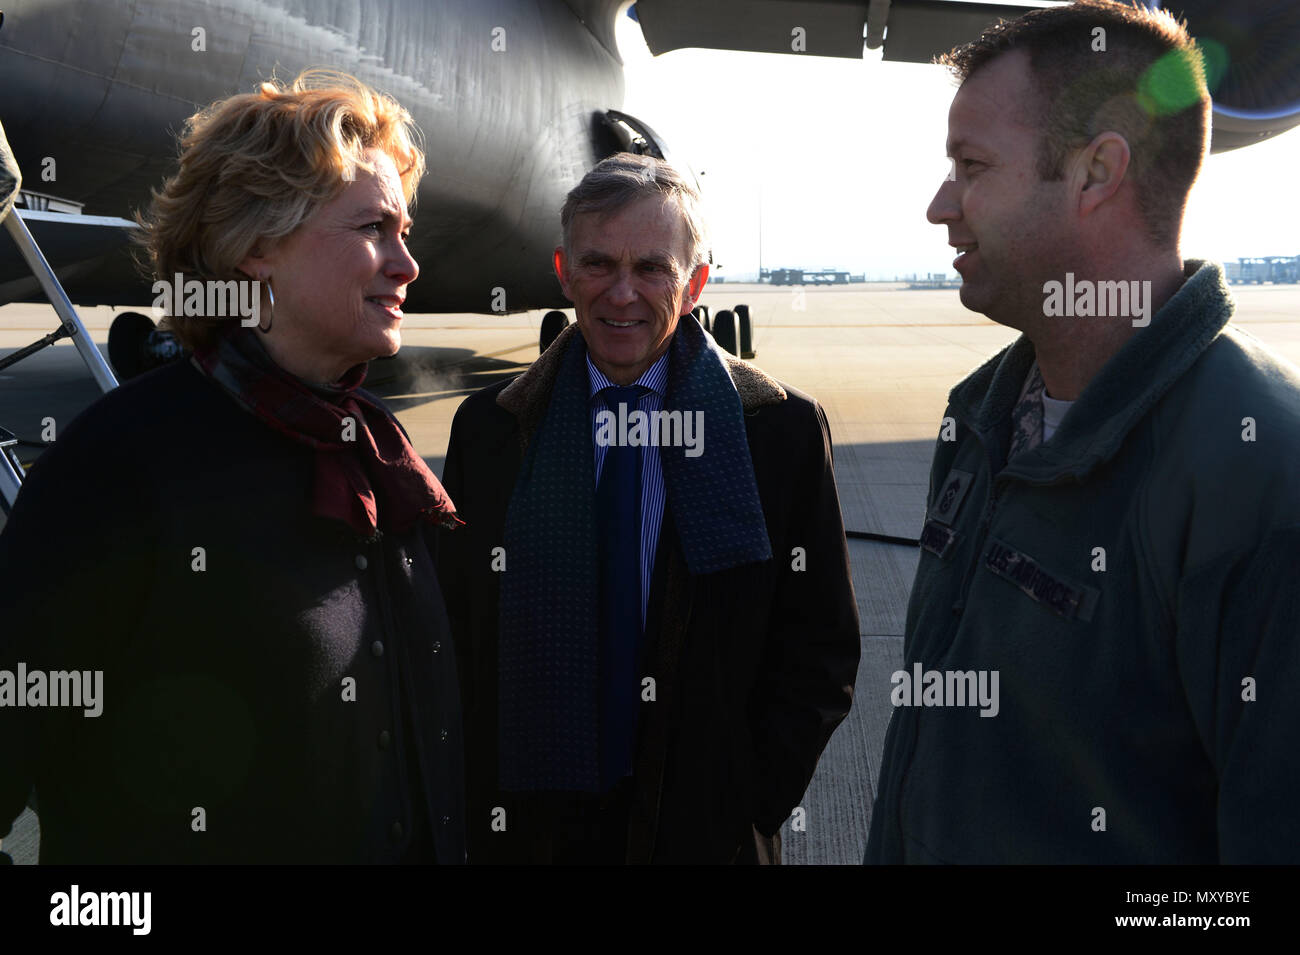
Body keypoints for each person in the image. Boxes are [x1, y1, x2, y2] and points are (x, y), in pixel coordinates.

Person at [866, 0, 1300, 864]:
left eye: (972, 165)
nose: (938, 205)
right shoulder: (981, 416)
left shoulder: (1261, 474)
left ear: (1097, 172)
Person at [0, 71, 465, 863]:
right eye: (374, 229)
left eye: (405, 231)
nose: (407, 264)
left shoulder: (376, 450)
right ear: (257, 249)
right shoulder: (119, 466)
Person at [438, 152, 860, 864]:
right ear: (564, 271)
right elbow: (458, 636)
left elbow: (820, 649)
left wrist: (746, 799)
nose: (622, 294)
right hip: (535, 831)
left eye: (652, 269)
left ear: (694, 283)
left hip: (704, 832)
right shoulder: (492, 431)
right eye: (598, 265)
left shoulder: (776, 433)